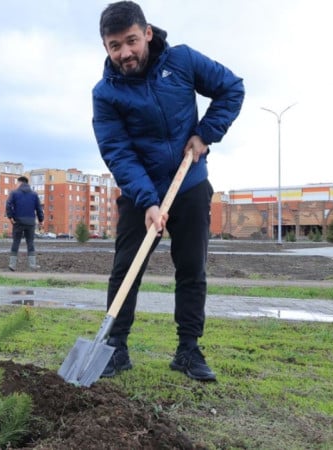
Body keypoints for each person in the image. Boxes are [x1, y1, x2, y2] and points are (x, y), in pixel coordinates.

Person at [92, 1, 244, 382]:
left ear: (146, 32)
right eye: (114, 46)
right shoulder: (105, 93)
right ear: (106, 48)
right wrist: (147, 200)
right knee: (125, 269)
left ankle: (188, 351)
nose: (124, 52)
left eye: (130, 40)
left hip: (189, 183)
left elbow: (231, 89)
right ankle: (115, 349)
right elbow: (117, 152)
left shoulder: (182, 61)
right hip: (138, 192)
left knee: (192, 269)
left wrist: (206, 134)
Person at [5, 176, 44, 271]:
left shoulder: (14, 193)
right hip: (30, 222)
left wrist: (10, 217)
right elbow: (39, 208)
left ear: (20, 183)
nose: (16, 185)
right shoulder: (34, 194)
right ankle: (32, 265)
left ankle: (12, 265)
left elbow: (8, 205)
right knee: (30, 243)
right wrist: (41, 220)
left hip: (18, 221)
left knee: (16, 242)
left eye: (17, 183)